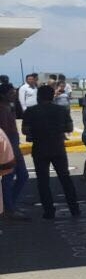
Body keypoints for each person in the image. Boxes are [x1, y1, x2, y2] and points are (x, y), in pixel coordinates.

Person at [21, 85, 80, 219]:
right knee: (65, 179)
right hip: (58, 147)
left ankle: (49, 211)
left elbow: (25, 130)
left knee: (43, 181)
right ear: (52, 95)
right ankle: (74, 208)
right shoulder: (61, 110)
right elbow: (69, 127)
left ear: (39, 96)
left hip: (40, 148)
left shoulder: (31, 111)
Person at [0, 83, 30, 220]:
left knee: (20, 176)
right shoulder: (2, 109)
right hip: (10, 147)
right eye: (11, 93)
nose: (14, 95)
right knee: (9, 178)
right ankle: (9, 208)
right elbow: (5, 132)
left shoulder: (9, 107)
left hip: (14, 145)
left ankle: (9, 205)